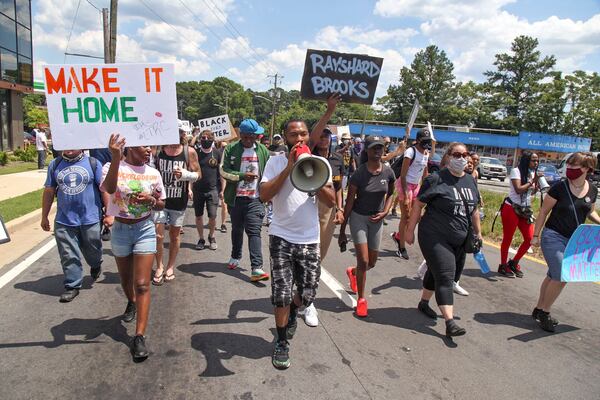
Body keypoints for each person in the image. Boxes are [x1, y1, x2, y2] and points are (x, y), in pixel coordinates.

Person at [259, 119, 335, 369]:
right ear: (286, 138)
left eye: (303, 133)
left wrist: (315, 179)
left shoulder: (320, 162)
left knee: (307, 291)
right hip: (281, 236)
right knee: (280, 294)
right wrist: (289, 167)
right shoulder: (276, 161)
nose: (300, 138)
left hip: (309, 238)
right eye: (294, 134)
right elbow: (264, 195)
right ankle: (281, 341)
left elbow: (331, 201)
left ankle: (294, 311)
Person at [405, 142, 481, 338]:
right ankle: (450, 322)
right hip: (434, 236)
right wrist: (409, 230)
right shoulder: (436, 179)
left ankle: (423, 303)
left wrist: (478, 233)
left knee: (435, 270)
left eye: (465, 155)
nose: (461, 158)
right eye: (457, 154)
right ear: (448, 156)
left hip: (460, 238)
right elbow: (417, 205)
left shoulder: (471, 181)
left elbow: (474, 211)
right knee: (446, 275)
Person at [101, 134, 166, 360]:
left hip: (144, 229)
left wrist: (150, 200)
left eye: (151, 145)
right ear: (130, 147)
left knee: (142, 284)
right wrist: (116, 157)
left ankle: (139, 336)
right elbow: (109, 189)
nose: (149, 149)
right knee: (126, 281)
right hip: (120, 231)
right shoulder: (112, 165)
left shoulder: (153, 172)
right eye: (144, 145)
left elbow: (161, 203)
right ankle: (131, 302)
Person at [531, 152, 599, 332]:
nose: (569, 169)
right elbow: (544, 212)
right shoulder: (559, 188)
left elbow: (590, 212)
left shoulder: (592, 190)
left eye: (573, 167)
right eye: (568, 166)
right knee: (562, 274)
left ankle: (538, 309)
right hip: (553, 236)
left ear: (586, 169)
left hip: (575, 241)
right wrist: (535, 236)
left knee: (552, 276)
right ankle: (545, 313)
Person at [41, 149, 108, 302]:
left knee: (93, 248)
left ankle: (95, 264)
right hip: (64, 219)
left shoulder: (93, 163)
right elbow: (49, 191)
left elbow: (104, 189)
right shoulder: (55, 164)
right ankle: (72, 284)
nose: (69, 147)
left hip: (90, 218)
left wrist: (109, 213)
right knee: (67, 253)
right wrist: (44, 216)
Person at [339, 136, 395, 317]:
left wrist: (386, 211)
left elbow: (391, 194)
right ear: (367, 151)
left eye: (380, 148)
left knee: (371, 262)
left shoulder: (388, 172)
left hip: (376, 221)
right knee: (363, 260)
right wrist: (342, 231)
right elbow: (349, 203)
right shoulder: (359, 174)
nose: (377, 151)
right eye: (374, 148)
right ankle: (361, 299)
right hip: (359, 218)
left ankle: (353, 272)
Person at [220, 119, 270, 282]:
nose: (249, 140)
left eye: (253, 137)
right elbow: (224, 171)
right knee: (237, 229)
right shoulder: (230, 149)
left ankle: (257, 267)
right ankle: (235, 255)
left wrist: (268, 194)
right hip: (236, 198)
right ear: (241, 135)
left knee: (254, 231)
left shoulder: (263, 150)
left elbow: (269, 173)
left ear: (257, 136)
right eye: (246, 137)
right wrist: (242, 176)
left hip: (256, 199)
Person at [152, 128, 200, 285]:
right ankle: (159, 267)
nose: (175, 134)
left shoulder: (189, 152)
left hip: (179, 201)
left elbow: (198, 174)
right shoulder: (157, 150)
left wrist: (185, 175)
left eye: (178, 131)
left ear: (182, 134)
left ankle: (170, 267)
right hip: (160, 201)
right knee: (158, 236)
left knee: (174, 236)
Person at [392, 128, 432, 260]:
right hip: (406, 184)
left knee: (416, 217)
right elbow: (403, 176)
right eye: (425, 141)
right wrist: (405, 195)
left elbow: (425, 174)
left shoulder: (426, 153)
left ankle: (398, 235)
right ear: (419, 140)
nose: (427, 144)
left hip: (417, 186)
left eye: (429, 141)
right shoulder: (410, 152)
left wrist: (426, 190)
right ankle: (401, 247)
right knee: (406, 217)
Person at [499, 151, 540, 278]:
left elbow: (528, 193)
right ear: (527, 160)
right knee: (508, 238)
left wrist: (536, 188)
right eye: (534, 160)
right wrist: (532, 182)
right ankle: (503, 265)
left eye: (537, 161)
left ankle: (514, 262)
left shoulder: (532, 173)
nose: (536, 163)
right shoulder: (516, 171)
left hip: (525, 209)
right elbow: (518, 189)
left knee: (529, 239)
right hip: (511, 208)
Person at [192, 130, 222, 251]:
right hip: (198, 190)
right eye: (202, 138)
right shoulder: (195, 153)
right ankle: (201, 238)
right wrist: (190, 188)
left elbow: (221, 172)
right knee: (198, 216)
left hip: (213, 190)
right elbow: (191, 171)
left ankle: (212, 236)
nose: (205, 140)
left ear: (212, 139)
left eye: (207, 138)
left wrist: (222, 190)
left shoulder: (217, 153)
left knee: (213, 216)